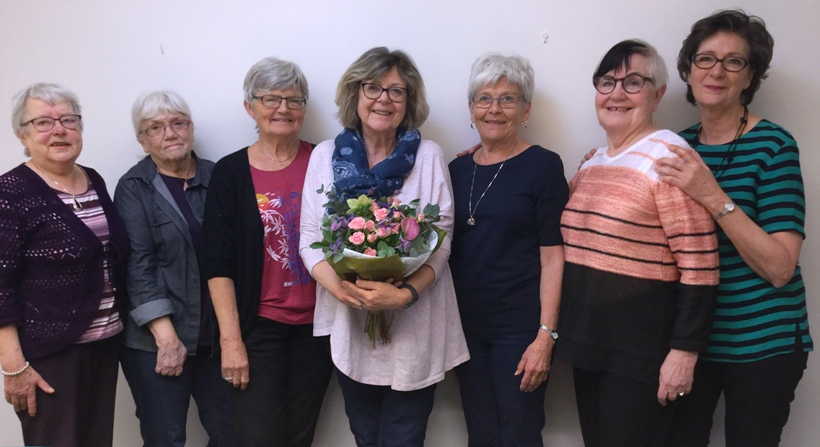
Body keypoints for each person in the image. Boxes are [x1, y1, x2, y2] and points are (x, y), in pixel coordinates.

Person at [652, 10, 812, 446]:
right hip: (692, 341)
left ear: (750, 76)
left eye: (734, 61)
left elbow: (780, 267)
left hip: (763, 343)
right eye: (705, 59)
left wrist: (712, 194)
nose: (716, 71)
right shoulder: (676, 147)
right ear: (688, 70)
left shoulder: (774, 145)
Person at [299, 46, 469, 447]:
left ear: (408, 101)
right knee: (365, 434)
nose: (383, 99)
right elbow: (309, 237)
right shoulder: (325, 156)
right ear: (355, 93)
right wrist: (342, 290)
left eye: (396, 91)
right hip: (350, 318)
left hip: (415, 323)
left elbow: (442, 242)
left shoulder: (428, 156)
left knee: (404, 437)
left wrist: (404, 294)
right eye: (372, 87)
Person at [556, 40, 720, 447]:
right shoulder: (593, 162)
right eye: (607, 82)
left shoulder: (670, 157)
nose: (616, 93)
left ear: (657, 94)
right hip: (591, 344)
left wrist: (684, 352)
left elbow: (700, 263)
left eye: (633, 82)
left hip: (642, 356)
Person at [203, 57, 332, 447]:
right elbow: (218, 264)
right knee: (258, 437)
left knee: (300, 436)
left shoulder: (325, 162)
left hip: (318, 327)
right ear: (250, 107)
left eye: (294, 100)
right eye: (271, 99)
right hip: (258, 327)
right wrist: (231, 341)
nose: (283, 109)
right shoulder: (230, 172)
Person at [446, 53, 567, 447]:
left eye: (507, 99)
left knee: (519, 433)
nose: (494, 109)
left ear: (525, 110)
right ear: (471, 109)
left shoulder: (543, 166)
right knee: (480, 433)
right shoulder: (457, 170)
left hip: (521, 330)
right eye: (484, 98)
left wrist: (545, 336)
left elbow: (553, 256)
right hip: (466, 329)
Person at [0, 83, 129, 447]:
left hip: (104, 344)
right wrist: (14, 366)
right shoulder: (10, 192)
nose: (58, 130)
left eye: (68, 120)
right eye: (43, 122)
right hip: (50, 354)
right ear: (22, 135)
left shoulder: (93, 179)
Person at [115, 91, 231, 447]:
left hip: (215, 336)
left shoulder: (219, 175)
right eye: (156, 127)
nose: (170, 133)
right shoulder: (133, 187)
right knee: (165, 438)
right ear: (142, 140)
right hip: (155, 340)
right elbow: (139, 265)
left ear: (191, 128)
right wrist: (166, 337)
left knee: (233, 433)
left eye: (178, 123)